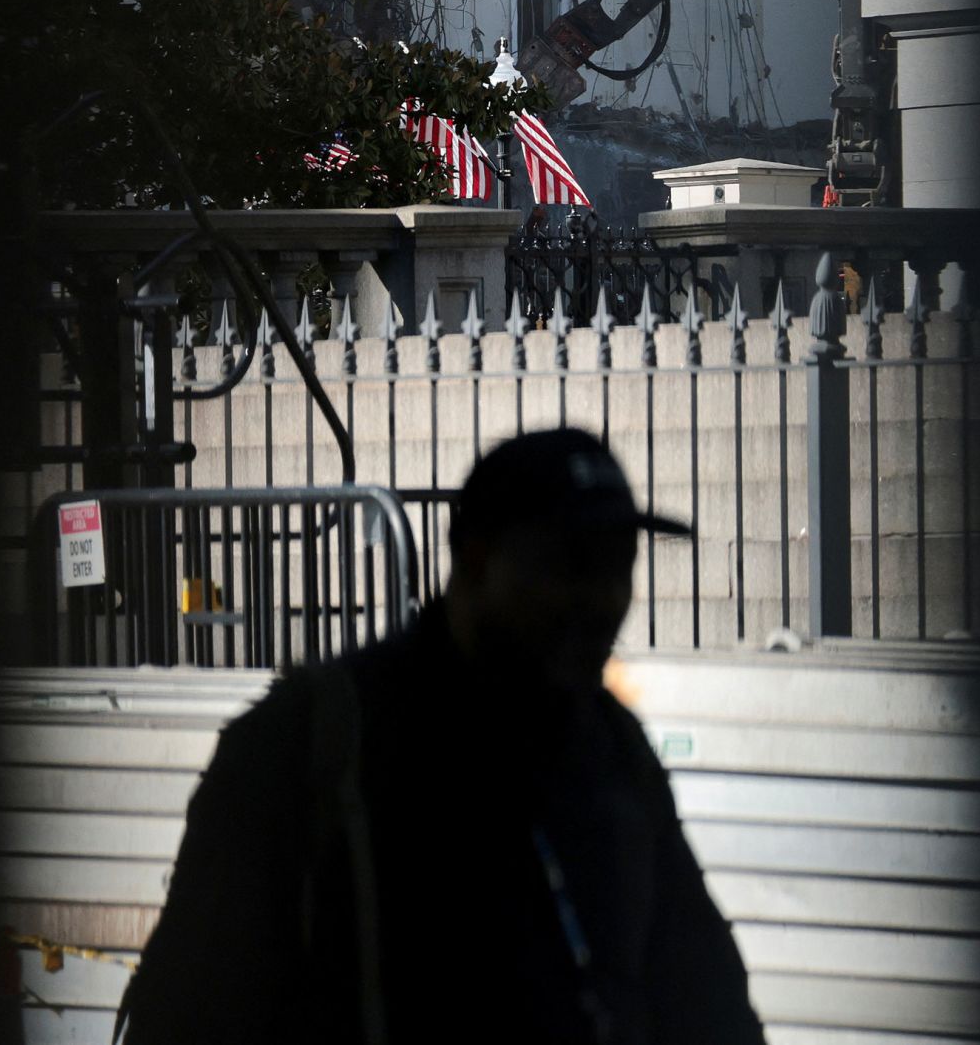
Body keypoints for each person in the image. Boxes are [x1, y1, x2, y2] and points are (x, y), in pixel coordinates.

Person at [115, 428, 765, 1045]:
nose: (601, 598)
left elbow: (703, 996)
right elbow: (187, 1014)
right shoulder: (311, 744)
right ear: (477, 563)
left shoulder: (611, 746)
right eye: (568, 566)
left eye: (618, 565)